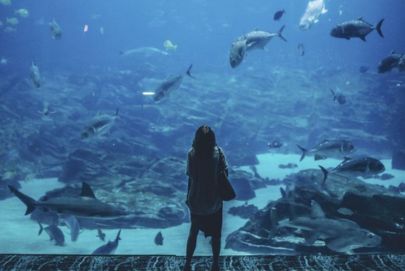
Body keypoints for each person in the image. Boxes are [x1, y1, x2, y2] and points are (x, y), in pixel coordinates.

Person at [183, 125, 228, 271]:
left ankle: (187, 264)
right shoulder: (218, 153)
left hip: (196, 199)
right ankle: (215, 264)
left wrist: (188, 197)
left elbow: (191, 177)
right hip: (213, 200)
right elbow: (225, 174)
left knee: (193, 232)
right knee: (216, 235)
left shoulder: (191, 154)